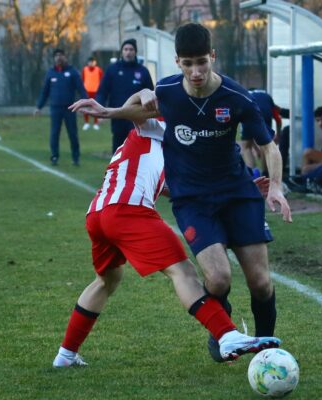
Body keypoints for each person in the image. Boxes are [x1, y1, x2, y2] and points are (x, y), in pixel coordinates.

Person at [71, 23, 292, 363]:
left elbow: (269, 147)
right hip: (193, 200)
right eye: (188, 63)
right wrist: (108, 111)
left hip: (237, 193)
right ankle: (224, 331)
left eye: (202, 62)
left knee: (261, 282)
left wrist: (275, 186)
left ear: (213, 57)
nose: (196, 71)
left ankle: (268, 352)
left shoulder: (236, 98)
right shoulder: (170, 91)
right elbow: (141, 107)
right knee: (217, 279)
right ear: (177, 62)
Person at [52, 106, 281, 368]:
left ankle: (65, 355)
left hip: (98, 214)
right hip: (129, 212)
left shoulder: (160, 147)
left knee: (106, 281)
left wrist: (238, 190)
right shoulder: (155, 125)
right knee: (183, 272)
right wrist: (146, 97)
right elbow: (138, 108)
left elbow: (174, 189)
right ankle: (226, 335)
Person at [96, 38, 154, 153]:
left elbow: (150, 93)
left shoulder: (142, 71)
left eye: (131, 49)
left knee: (136, 147)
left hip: (137, 116)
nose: (128, 52)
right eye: (126, 49)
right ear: (122, 52)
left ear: (135, 52)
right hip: (118, 115)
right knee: (118, 148)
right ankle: (116, 170)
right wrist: (100, 111)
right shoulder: (112, 69)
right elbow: (102, 91)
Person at [34, 49, 88, 166]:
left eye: (61, 55)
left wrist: (86, 103)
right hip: (55, 108)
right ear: (54, 58)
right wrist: (39, 106)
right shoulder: (50, 73)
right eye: (56, 56)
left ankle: (75, 157)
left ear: (65, 57)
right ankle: (54, 156)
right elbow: (45, 92)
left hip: (70, 108)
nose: (59, 58)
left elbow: (81, 89)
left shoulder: (73, 72)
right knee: (54, 133)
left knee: (72, 133)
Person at [240, 88, 289, 177]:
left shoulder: (246, 94)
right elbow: (278, 119)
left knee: (246, 146)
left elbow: (250, 135)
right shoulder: (267, 97)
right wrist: (278, 135)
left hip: (248, 111)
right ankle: (265, 174)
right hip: (266, 114)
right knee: (265, 145)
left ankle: (254, 174)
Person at [81, 56, 103, 131]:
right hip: (86, 92)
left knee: (96, 108)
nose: (91, 63)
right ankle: (86, 123)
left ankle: (95, 123)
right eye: (90, 62)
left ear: (95, 62)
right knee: (86, 107)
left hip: (96, 92)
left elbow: (102, 80)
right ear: (88, 62)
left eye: (92, 62)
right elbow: (82, 80)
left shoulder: (98, 70)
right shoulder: (84, 70)